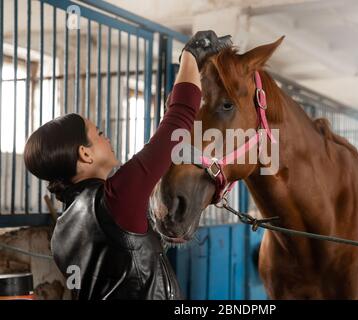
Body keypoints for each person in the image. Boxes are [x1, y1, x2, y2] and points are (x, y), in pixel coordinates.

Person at [23, 30, 232, 300]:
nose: (105, 137)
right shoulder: (116, 199)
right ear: (85, 155)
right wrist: (190, 56)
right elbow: (178, 120)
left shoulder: (61, 233)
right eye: (97, 133)